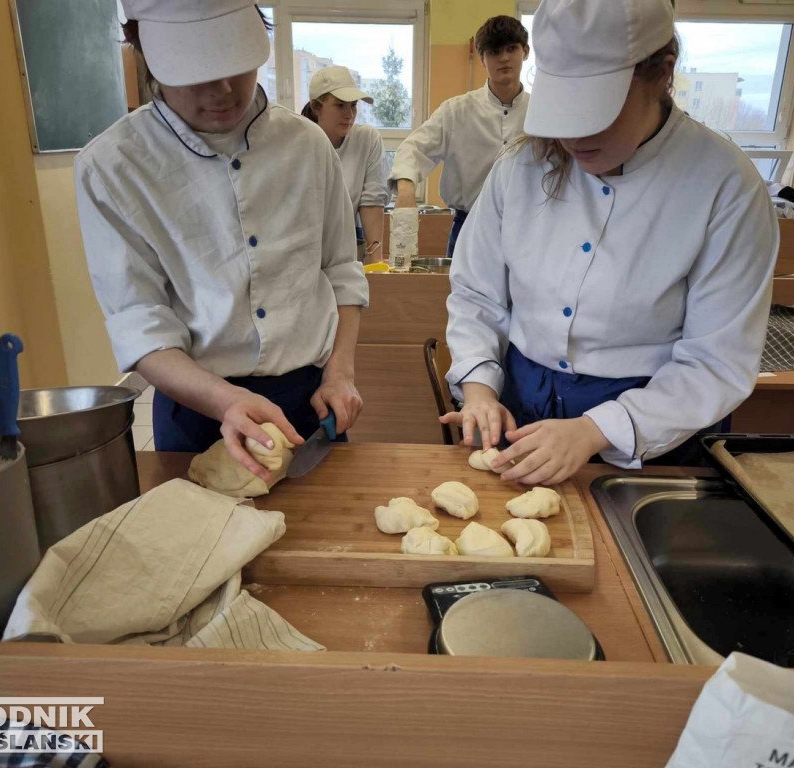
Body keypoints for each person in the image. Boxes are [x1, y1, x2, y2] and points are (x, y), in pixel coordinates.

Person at [441, 0, 779, 486]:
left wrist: (597, 429)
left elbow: (715, 361)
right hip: (522, 403)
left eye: (596, 114)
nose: (573, 138)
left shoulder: (725, 185)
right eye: (564, 115)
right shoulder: (521, 169)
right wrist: (479, 388)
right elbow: (476, 293)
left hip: (654, 427)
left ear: (661, 73)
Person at [74, 0, 368, 481]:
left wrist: (340, 372)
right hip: (196, 409)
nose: (224, 89)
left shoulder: (308, 147)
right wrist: (225, 400)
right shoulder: (111, 168)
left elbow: (340, 271)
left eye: (234, 62)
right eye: (196, 71)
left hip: (308, 403)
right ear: (143, 48)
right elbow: (139, 322)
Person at [389, 15, 530, 257]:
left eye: (511, 48)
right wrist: (406, 191)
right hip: (469, 227)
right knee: (462, 295)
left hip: (528, 230)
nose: (504, 58)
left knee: (528, 296)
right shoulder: (456, 111)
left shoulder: (542, 112)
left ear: (525, 51)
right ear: (482, 58)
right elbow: (414, 148)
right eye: (495, 51)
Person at [301, 66, 390, 264]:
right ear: (316, 107)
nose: (349, 114)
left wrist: (376, 260)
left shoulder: (366, 139)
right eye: (340, 105)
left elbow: (372, 200)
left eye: (353, 106)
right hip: (303, 248)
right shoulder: (298, 143)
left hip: (347, 245)